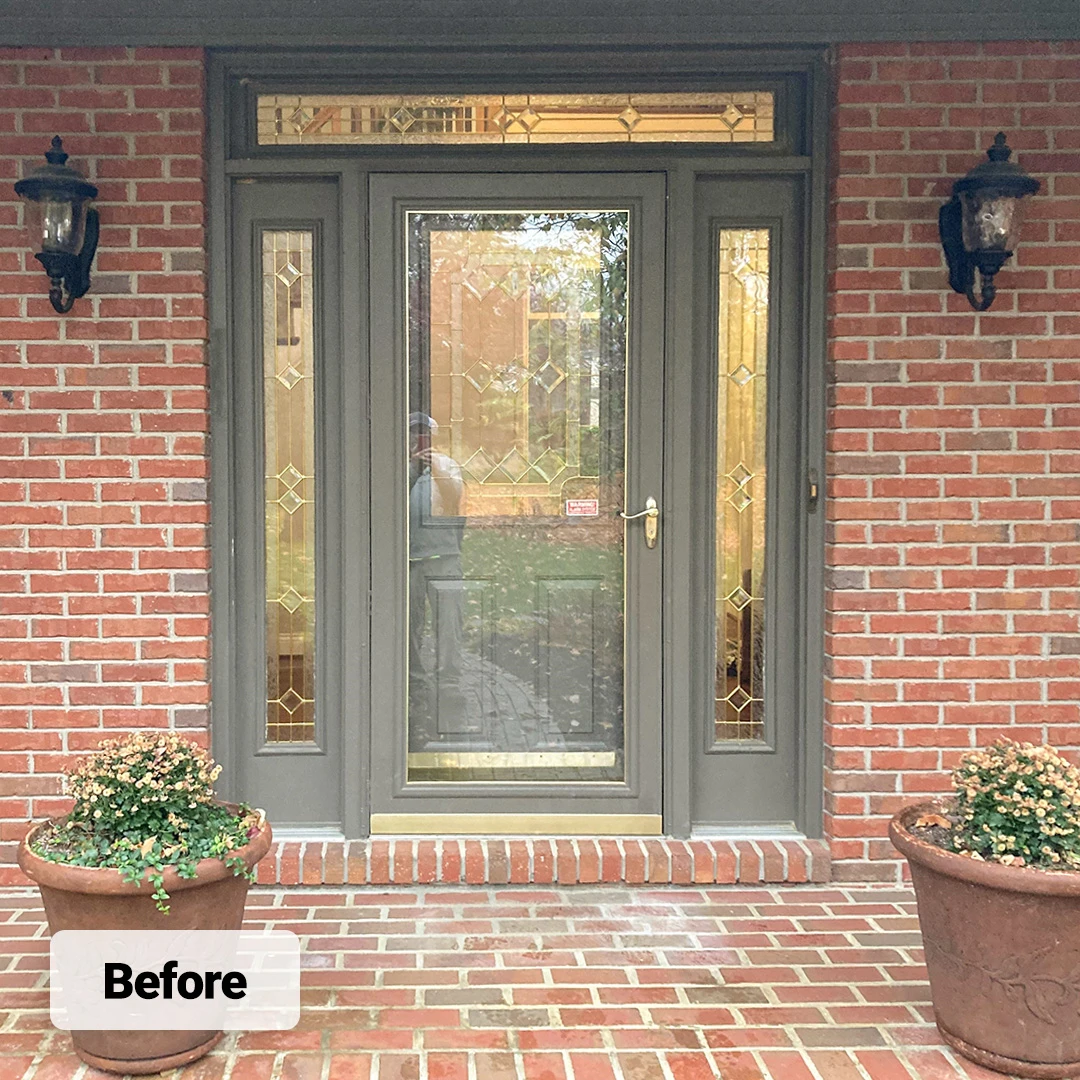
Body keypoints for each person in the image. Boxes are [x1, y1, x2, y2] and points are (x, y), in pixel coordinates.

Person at [407, 412, 467, 743]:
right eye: (414, 434)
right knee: (411, 626)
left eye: (424, 433)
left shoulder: (447, 464)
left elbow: (454, 500)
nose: (420, 440)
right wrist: (413, 468)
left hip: (445, 560)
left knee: (449, 624)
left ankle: (450, 687)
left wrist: (436, 470)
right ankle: (416, 686)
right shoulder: (398, 466)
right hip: (410, 561)